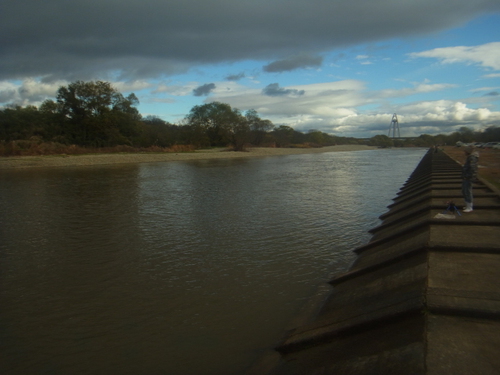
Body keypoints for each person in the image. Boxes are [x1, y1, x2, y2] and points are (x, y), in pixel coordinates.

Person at [461, 146, 479, 213]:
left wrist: (467, 176)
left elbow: (472, 168)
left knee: (467, 191)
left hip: (468, 178)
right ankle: (467, 205)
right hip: (466, 177)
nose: (464, 152)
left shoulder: (472, 158)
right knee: (464, 191)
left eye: (465, 151)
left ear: (468, 151)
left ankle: (469, 207)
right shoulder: (470, 157)